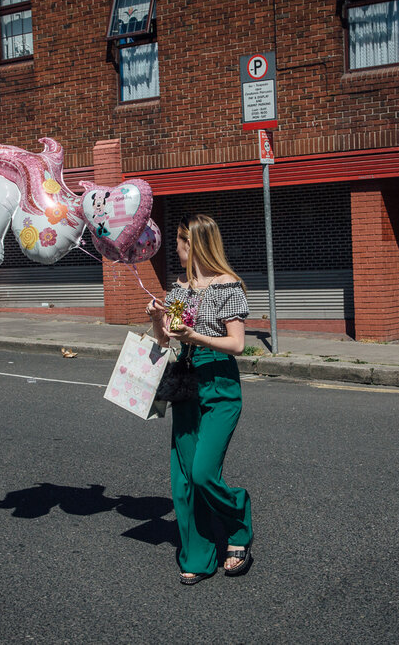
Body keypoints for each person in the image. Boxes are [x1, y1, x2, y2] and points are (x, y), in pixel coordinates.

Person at [146, 214, 254, 585]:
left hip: (220, 381)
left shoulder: (229, 287)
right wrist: (157, 322)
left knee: (204, 472)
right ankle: (199, 553)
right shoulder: (178, 288)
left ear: (193, 244)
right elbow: (166, 342)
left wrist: (196, 337)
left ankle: (238, 523)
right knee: (183, 479)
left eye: (178, 243)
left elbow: (237, 344)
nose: (175, 250)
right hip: (186, 380)